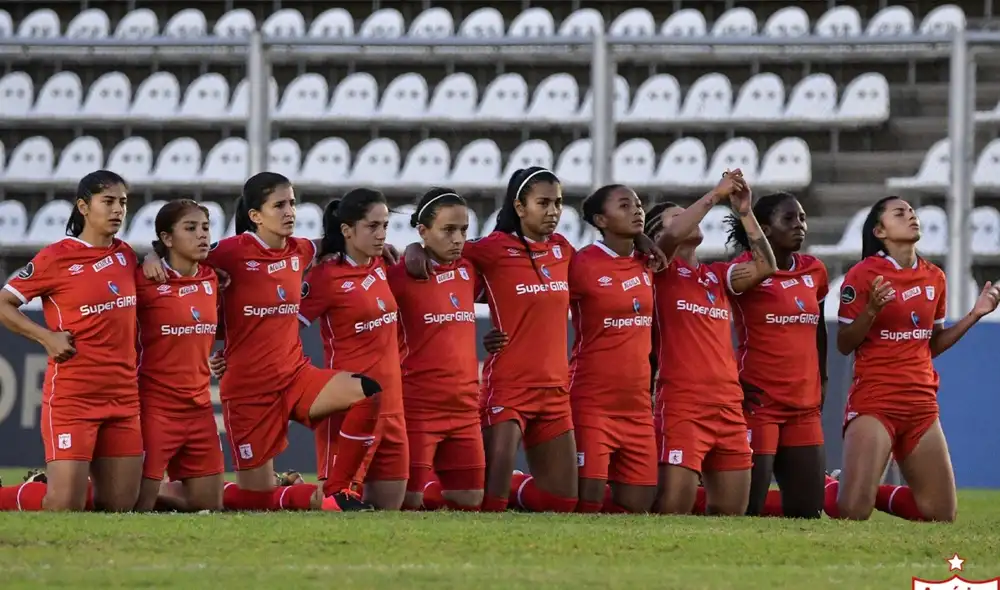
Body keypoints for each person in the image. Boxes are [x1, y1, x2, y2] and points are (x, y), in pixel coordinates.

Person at [142, 172, 382, 512]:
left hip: (295, 375)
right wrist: (151, 258)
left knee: (367, 393)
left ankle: (339, 492)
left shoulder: (300, 249)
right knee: (255, 501)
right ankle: (172, 491)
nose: (289, 212)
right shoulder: (227, 253)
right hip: (249, 390)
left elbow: (334, 242)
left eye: (292, 203)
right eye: (279, 205)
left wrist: (386, 246)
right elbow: (176, 253)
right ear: (255, 216)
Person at [827, 196, 999, 522]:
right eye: (899, 213)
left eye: (912, 211)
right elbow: (844, 344)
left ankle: (853, 484)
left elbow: (931, 345)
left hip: (921, 405)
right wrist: (872, 311)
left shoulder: (934, 276)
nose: (911, 216)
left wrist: (974, 315)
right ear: (880, 230)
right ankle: (831, 485)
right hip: (876, 401)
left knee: (940, 514)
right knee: (852, 511)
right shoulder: (863, 275)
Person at [0, 170, 143, 512]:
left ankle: (61, 483)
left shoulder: (127, 256)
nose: (117, 210)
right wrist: (45, 336)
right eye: (107, 202)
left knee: (120, 505)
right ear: (83, 206)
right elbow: (4, 303)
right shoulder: (56, 257)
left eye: (122, 202)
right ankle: (19, 494)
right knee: (64, 506)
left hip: (123, 394)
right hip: (74, 395)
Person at [648, 169, 778, 515]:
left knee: (731, 513)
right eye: (678, 215)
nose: (688, 218)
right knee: (673, 508)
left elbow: (766, 266)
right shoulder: (658, 271)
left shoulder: (717, 276)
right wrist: (714, 195)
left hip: (727, 405)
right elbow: (673, 234)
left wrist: (745, 212)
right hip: (682, 404)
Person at [298, 188, 407, 511]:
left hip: (392, 409)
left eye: (385, 226)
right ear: (347, 230)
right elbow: (282, 330)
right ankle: (279, 495)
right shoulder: (325, 277)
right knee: (337, 505)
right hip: (349, 409)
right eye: (372, 226)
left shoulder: (384, 265)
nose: (381, 234)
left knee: (390, 512)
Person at [724, 192, 830, 518]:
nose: (800, 226)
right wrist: (731, 380)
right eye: (789, 219)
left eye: (802, 218)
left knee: (807, 512)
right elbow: (709, 327)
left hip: (804, 407)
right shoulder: (743, 272)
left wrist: (822, 380)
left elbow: (819, 329)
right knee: (748, 509)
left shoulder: (814, 270)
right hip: (759, 405)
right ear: (765, 229)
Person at [387, 188, 485, 511]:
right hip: (418, 406)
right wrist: (412, 251)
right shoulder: (399, 276)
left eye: (463, 231)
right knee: (406, 502)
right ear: (423, 231)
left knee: (469, 500)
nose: (458, 239)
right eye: (448, 230)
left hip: (464, 407)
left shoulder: (470, 269)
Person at [569, 185, 657, 514]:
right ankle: (521, 489)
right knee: (585, 503)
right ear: (601, 220)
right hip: (593, 401)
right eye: (625, 205)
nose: (637, 210)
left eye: (638, 204)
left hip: (636, 408)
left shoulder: (648, 261)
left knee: (639, 508)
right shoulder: (581, 263)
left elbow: (676, 231)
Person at [134, 199, 225, 512]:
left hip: (199, 408)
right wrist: (147, 257)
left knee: (209, 506)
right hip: (156, 407)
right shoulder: (144, 281)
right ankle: (49, 489)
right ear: (167, 238)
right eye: (190, 228)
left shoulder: (213, 277)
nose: (201, 235)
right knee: (134, 507)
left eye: (205, 227)